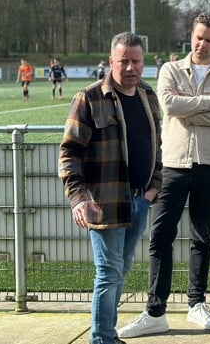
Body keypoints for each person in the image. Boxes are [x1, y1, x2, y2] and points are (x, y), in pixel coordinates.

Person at [117, 13, 210, 339]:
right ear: (191, 36)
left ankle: (196, 304)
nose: (202, 44)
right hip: (173, 164)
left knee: (202, 236)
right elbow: (170, 106)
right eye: (198, 37)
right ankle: (155, 311)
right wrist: (207, 103)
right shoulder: (170, 69)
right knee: (160, 237)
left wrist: (192, 111)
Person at [59, 32, 163, 344]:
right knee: (108, 273)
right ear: (111, 61)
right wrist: (78, 197)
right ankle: (102, 338)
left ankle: (108, 336)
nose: (131, 67)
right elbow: (69, 153)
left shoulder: (148, 95)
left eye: (136, 61)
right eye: (124, 61)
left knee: (122, 269)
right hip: (103, 203)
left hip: (139, 202)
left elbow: (158, 145)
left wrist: (152, 190)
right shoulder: (89, 98)